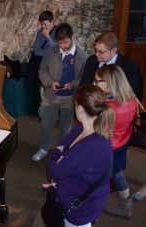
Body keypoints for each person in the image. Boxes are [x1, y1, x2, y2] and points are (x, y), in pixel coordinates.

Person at [48, 84, 114, 227]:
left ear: (80, 108)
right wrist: (62, 154)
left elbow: (54, 170)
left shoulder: (90, 147)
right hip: (75, 193)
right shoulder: (83, 128)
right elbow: (64, 145)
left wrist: (59, 154)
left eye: (75, 104)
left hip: (79, 209)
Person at [32, 23, 88, 161]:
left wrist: (72, 84)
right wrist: (51, 83)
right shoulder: (51, 52)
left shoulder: (82, 55)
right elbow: (42, 71)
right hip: (51, 95)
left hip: (70, 98)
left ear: (72, 37)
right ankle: (43, 148)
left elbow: (83, 78)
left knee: (65, 128)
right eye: (60, 43)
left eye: (66, 42)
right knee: (46, 125)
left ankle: (59, 151)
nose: (63, 46)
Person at [93, 64, 137, 219]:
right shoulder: (131, 98)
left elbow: (95, 129)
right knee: (118, 176)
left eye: (97, 81)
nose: (94, 84)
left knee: (98, 181)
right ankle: (125, 207)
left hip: (106, 149)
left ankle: (93, 211)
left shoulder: (107, 108)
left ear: (109, 82)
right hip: (122, 143)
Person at [79, 31, 143, 101]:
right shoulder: (91, 60)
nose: (97, 54)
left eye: (101, 52)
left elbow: (136, 97)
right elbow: (83, 86)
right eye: (96, 50)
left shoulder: (130, 68)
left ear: (113, 50)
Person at [28, 10, 57, 116]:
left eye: (45, 23)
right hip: (42, 65)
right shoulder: (39, 32)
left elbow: (57, 51)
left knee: (52, 91)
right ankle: (43, 112)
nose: (43, 27)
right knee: (43, 89)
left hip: (54, 66)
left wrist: (48, 37)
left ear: (52, 21)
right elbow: (37, 51)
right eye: (41, 24)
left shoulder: (58, 32)